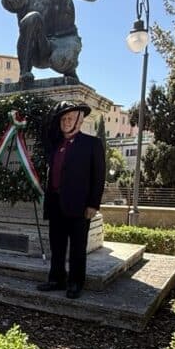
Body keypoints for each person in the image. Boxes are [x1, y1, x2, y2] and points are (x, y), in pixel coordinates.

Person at [38, 101, 106, 299]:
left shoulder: (92, 144)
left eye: (70, 118)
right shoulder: (56, 143)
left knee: (77, 247)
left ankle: (76, 283)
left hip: (80, 206)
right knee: (57, 245)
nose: (66, 122)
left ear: (80, 120)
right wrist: (57, 110)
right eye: (63, 118)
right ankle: (56, 279)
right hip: (56, 204)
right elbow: (46, 128)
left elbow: (99, 176)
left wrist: (93, 204)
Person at [1, 0, 100, 84]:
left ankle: (69, 69)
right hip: (42, 50)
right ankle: (24, 73)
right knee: (32, 17)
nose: (11, 1)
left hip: (65, 40)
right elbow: (25, 40)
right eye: (10, 6)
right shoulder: (23, 12)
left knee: (60, 60)